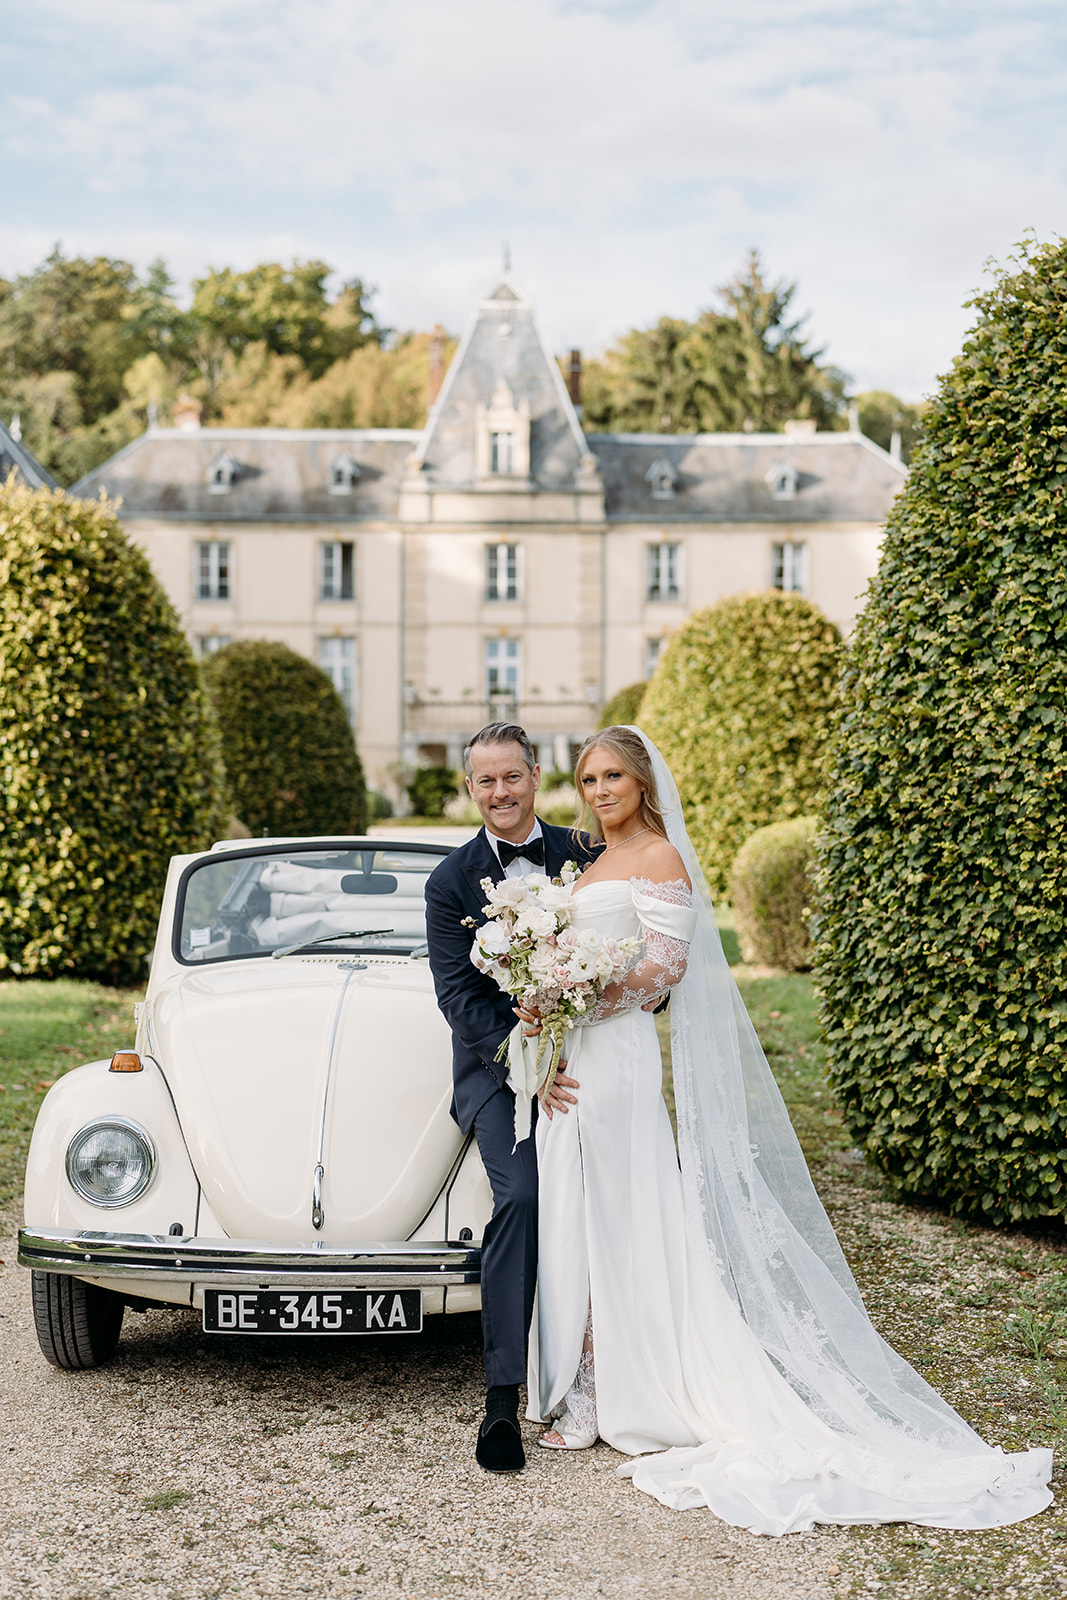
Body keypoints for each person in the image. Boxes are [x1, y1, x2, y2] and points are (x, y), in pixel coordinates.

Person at [522, 725, 1053, 1534]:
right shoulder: (590, 862)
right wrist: (544, 1001)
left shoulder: (659, 857)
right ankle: (584, 1376)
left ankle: (608, 1395)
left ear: (641, 784)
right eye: (589, 778)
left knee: (617, 1214)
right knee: (578, 1212)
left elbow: (666, 965)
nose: (599, 791)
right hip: (575, 1055)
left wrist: (577, 999)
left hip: (617, 1056)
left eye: (613, 777)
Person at [423, 722, 600, 1473]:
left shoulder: (584, 855)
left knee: (615, 1191)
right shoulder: (449, 881)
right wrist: (523, 1053)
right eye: (484, 781)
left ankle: (612, 1374)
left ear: (535, 776)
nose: (500, 793)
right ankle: (502, 1396)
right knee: (523, 1196)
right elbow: (458, 998)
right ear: (470, 789)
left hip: (592, 1060)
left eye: (512, 777)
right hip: (499, 1076)